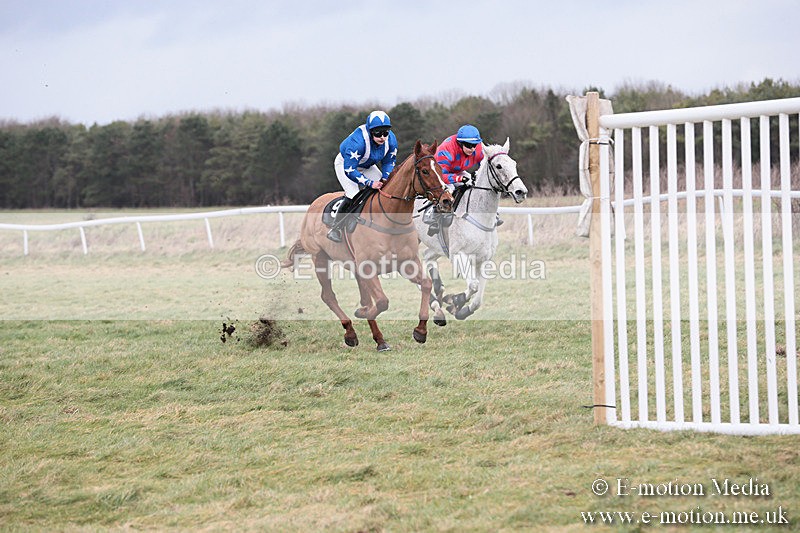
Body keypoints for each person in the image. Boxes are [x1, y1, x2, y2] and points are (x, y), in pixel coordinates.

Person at [328, 110, 398, 242]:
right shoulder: (358, 142)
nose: (382, 137)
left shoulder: (391, 140)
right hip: (346, 165)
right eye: (378, 133)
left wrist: (385, 177)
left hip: (367, 165)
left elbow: (389, 162)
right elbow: (350, 170)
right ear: (370, 131)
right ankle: (335, 228)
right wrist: (370, 183)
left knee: (385, 189)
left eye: (385, 133)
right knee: (353, 194)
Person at [424, 124, 502, 235]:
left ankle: (491, 214)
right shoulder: (446, 150)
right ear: (460, 143)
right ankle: (434, 216)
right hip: (439, 172)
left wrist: (477, 174)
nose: (472, 149)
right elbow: (442, 176)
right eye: (469, 145)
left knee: (474, 183)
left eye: (474, 145)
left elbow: (485, 165)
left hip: (457, 170)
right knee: (449, 189)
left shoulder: (478, 149)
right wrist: (459, 178)